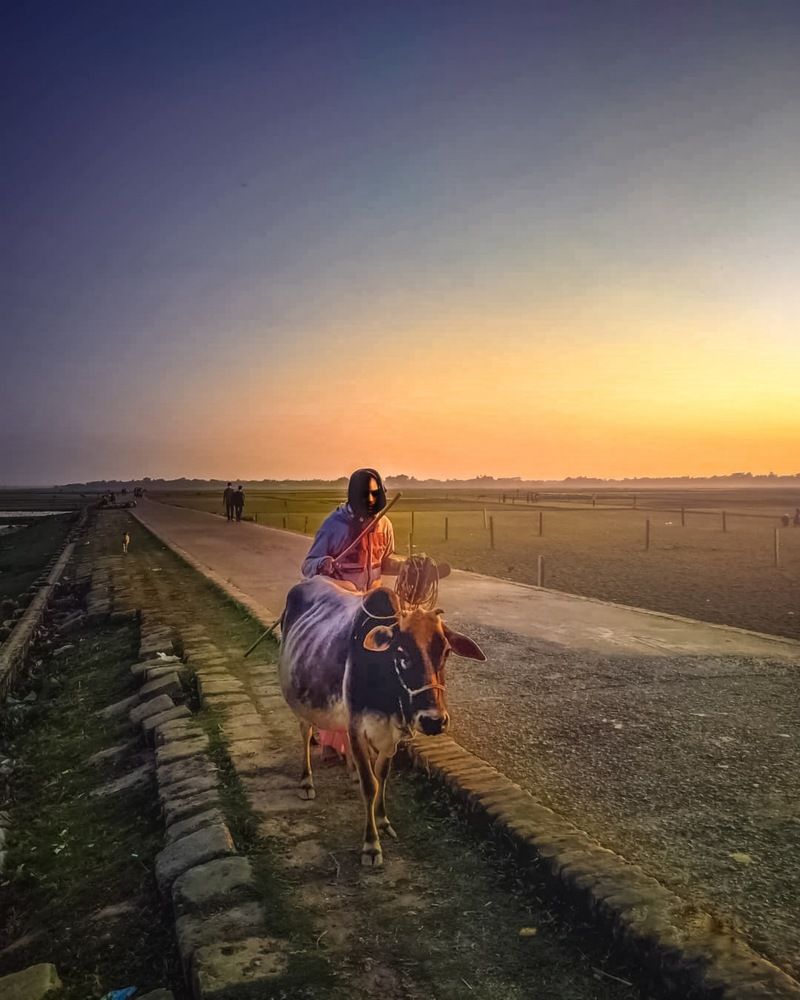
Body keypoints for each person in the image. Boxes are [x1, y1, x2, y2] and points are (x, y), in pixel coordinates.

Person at [301, 468, 406, 759]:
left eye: (375, 493)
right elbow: (307, 566)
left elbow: (385, 562)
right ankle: (331, 741)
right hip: (340, 609)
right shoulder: (334, 525)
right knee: (340, 676)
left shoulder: (384, 524)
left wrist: (405, 565)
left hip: (373, 609)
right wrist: (324, 563)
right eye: (364, 494)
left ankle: (377, 733)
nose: (370, 500)